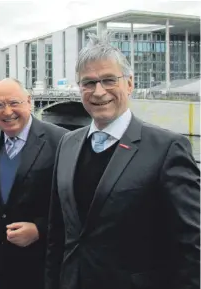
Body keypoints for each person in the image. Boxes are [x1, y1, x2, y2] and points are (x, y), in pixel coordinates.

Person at [45, 33, 200, 289]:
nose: (98, 91)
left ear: (129, 84)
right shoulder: (68, 144)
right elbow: (58, 232)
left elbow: (192, 242)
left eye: (108, 80)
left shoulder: (167, 148)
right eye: (88, 83)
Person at [0, 78, 68, 289]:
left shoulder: (62, 141)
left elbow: (73, 202)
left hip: (43, 263)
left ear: (29, 102)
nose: (7, 112)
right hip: (0, 262)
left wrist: (39, 229)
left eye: (14, 103)